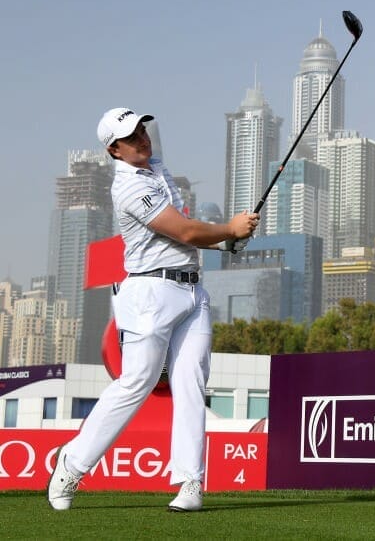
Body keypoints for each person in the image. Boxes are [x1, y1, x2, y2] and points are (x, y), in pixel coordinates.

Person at [47, 108, 259, 512]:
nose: (142, 138)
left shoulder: (157, 169)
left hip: (192, 291)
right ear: (114, 150)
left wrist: (225, 242)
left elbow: (181, 236)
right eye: (131, 137)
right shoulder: (128, 186)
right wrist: (229, 230)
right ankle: (72, 464)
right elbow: (184, 230)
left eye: (142, 130)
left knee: (191, 381)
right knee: (136, 383)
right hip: (150, 295)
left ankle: (190, 482)